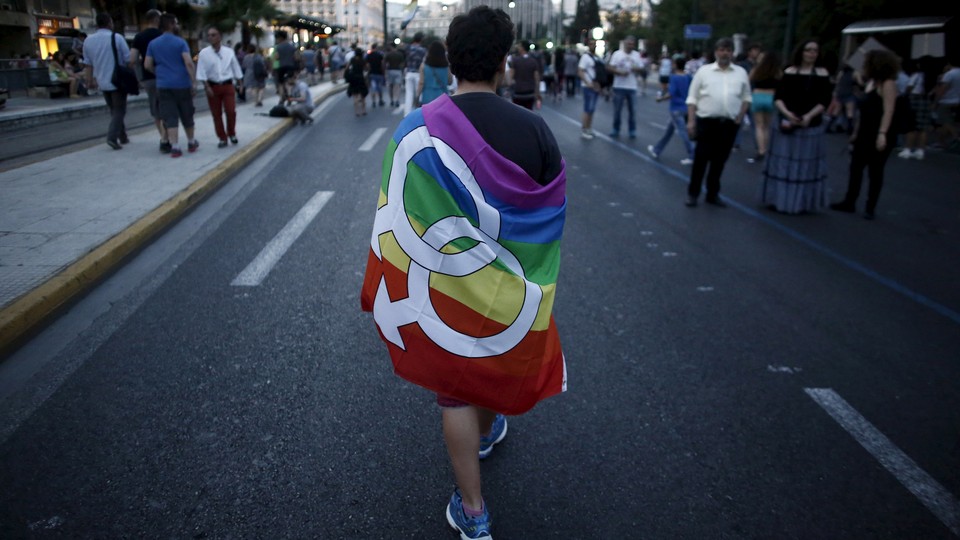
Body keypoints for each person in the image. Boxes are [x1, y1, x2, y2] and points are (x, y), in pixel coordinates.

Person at [360, 7, 566, 539]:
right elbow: (547, 220)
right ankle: (492, 422)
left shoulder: (417, 130)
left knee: (455, 390)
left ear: (450, 60)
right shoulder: (536, 131)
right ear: (504, 61)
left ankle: (474, 513)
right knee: (492, 361)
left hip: (446, 287)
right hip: (509, 289)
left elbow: (396, 217)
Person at [759, 40, 831, 214]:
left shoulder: (822, 74)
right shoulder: (789, 72)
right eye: (808, 50)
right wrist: (788, 114)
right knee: (784, 163)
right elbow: (779, 97)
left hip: (811, 123)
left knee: (805, 164)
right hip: (787, 121)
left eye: (815, 51)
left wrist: (809, 116)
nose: (812, 54)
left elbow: (824, 100)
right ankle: (780, 199)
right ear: (801, 52)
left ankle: (802, 202)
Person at [830, 49, 900, 220]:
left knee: (875, 170)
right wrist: (855, 132)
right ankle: (850, 200)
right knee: (856, 167)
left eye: (866, 63)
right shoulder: (871, 83)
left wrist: (882, 133)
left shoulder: (888, 84)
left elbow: (889, 110)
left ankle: (870, 206)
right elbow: (864, 111)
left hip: (879, 131)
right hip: (864, 131)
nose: (863, 66)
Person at [684, 37, 752, 207]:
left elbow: (746, 97)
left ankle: (713, 194)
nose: (725, 53)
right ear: (716, 52)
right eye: (722, 49)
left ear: (732, 53)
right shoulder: (704, 71)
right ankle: (693, 193)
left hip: (729, 124)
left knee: (720, 160)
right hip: (707, 122)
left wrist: (740, 116)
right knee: (701, 160)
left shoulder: (740, 73)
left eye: (728, 50)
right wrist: (691, 121)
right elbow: (692, 98)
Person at [145, 13, 198, 158]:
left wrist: (160, 72)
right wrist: (193, 81)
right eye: (176, 23)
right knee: (187, 113)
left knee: (170, 116)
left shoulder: (153, 44)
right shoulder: (180, 42)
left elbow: (147, 65)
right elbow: (188, 62)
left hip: (163, 85)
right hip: (181, 84)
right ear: (171, 25)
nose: (178, 25)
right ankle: (191, 142)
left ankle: (175, 147)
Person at [82, 13, 131, 150]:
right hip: (117, 80)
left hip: (102, 80)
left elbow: (88, 64)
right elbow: (128, 59)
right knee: (120, 109)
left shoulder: (88, 41)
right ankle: (112, 137)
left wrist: (89, 80)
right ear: (110, 23)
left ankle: (122, 135)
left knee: (113, 109)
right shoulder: (117, 38)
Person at [196, 26, 243, 148]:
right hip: (213, 86)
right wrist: (207, 87)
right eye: (209, 35)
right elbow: (201, 72)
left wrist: (240, 83)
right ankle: (222, 138)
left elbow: (235, 67)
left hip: (227, 85)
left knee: (231, 111)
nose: (211, 37)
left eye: (213, 35)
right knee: (216, 114)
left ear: (220, 36)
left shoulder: (229, 52)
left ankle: (231, 133)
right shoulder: (204, 53)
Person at [130, 9, 167, 152]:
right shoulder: (163, 36)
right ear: (157, 20)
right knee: (166, 106)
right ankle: (166, 137)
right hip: (164, 76)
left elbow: (132, 59)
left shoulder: (139, 37)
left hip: (148, 78)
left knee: (155, 109)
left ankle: (163, 136)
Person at [648, 57, 694, 165]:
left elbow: (671, 93)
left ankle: (692, 154)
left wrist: (660, 99)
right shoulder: (688, 77)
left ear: (675, 65)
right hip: (686, 107)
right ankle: (657, 149)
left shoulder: (674, 78)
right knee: (669, 131)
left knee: (683, 132)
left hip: (676, 109)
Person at [898, 57, 938, 160]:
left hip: (914, 100)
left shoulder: (916, 75)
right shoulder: (933, 78)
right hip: (926, 100)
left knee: (911, 126)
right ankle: (920, 150)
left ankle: (908, 148)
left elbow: (909, 87)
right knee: (923, 127)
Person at [746, 50, 781, 164]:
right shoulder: (777, 71)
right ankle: (767, 148)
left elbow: (748, 81)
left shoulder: (756, 70)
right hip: (771, 97)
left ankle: (761, 150)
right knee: (767, 126)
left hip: (757, 96)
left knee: (759, 126)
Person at [608, 35, 644, 138]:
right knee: (617, 110)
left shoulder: (636, 55)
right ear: (624, 43)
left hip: (632, 87)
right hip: (619, 86)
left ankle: (632, 130)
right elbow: (610, 67)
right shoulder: (617, 54)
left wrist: (635, 68)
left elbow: (641, 69)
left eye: (632, 44)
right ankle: (616, 128)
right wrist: (619, 72)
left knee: (632, 111)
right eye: (628, 44)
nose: (630, 46)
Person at [932, 57, 960, 151]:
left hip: (946, 101)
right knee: (948, 122)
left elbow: (942, 89)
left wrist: (935, 102)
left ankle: (957, 137)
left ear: (949, 63)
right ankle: (941, 142)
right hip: (957, 101)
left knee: (946, 121)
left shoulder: (949, 74)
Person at [578, 38, 602, 139]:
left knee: (592, 109)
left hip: (595, 86)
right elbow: (580, 71)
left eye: (595, 44)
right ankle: (584, 129)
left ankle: (589, 128)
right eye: (592, 44)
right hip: (589, 86)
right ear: (588, 45)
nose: (594, 46)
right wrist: (587, 83)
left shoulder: (596, 57)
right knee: (587, 109)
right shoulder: (585, 57)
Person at [506, 41, 540, 109]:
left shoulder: (515, 60)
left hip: (518, 92)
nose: (518, 48)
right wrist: (537, 93)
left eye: (519, 46)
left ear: (522, 48)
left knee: (517, 112)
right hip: (530, 92)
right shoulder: (533, 61)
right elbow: (536, 78)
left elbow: (510, 77)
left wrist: (508, 88)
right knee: (529, 111)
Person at [417, 40, 452, 106]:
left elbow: (421, 83)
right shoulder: (446, 67)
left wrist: (417, 96)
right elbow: (450, 82)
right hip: (443, 98)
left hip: (428, 98)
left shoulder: (423, 66)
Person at [272, 30, 299, 102]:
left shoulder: (278, 47)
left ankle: (282, 97)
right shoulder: (292, 46)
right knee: (289, 81)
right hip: (290, 66)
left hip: (281, 67)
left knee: (280, 83)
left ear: (280, 38)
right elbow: (296, 57)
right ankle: (290, 95)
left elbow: (276, 57)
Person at [403, 33, 427, 115]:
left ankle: (407, 113)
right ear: (421, 40)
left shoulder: (408, 48)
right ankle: (418, 112)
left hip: (409, 72)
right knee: (418, 94)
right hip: (418, 74)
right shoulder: (423, 50)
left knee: (409, 93)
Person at [344, 49, 368, 116]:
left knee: (355, 96)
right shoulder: (363, 60)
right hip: (361, 78)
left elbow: (347, 68)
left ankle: (357, 112)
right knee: (363, 95)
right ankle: (363, 111)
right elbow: (367, 68)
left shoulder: (352, 59)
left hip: (353, 78)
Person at [366, 43, 386, 107]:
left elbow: (367, 65)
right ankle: (380, 100)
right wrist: (384, 72)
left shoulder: (369, 55)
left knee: (373, 87)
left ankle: (374, 101)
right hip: (379, 73)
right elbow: (382, 64)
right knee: (380, 87)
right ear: (376, 48)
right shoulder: (380, 55)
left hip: (372, 73)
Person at [385, 43, 405, 107]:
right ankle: (397, 100)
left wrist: (385, 71)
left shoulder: (388, 54)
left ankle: (391, 100)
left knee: (390, 86)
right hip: (398, 71)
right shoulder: (400, 54)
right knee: (397, 86)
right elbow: (403, 63)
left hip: (390, 70)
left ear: (391, 47)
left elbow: (384, 63)